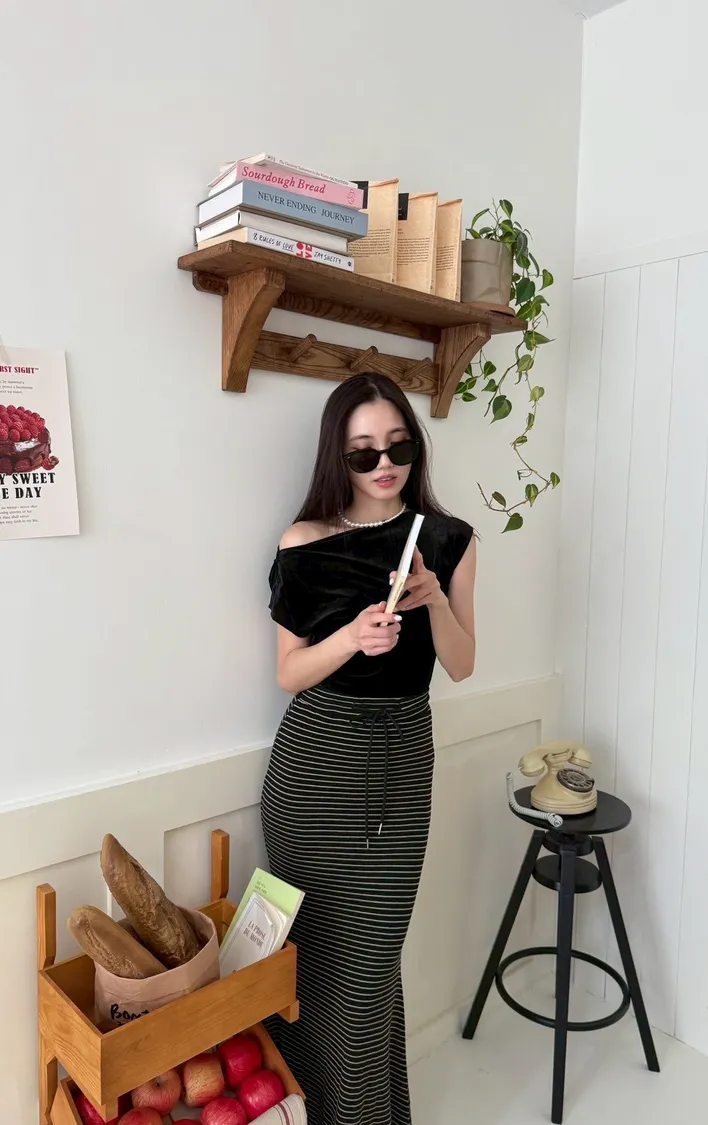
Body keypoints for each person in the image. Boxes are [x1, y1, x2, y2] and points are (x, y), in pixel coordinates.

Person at [261, 372, 476, 1125]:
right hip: (312, 767)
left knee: (370, 969)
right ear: (338, 456)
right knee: (315, 967)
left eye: (398, 447)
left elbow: (462, 664)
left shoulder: (447, 540)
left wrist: (435, 598)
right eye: (362, 453)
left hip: (400, 764)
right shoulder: (304, 542)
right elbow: (289, 673)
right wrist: (352, 637)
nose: (384, 465)